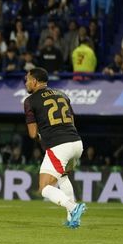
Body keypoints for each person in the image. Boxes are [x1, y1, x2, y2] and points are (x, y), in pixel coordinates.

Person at [23, 67, 86, 229]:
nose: (26, 83)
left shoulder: (30, 101)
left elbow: (32, 133)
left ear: (35, 81)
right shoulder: (62, 94)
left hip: (58, 146)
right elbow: (72, 120)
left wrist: (42, 133)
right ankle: (73, 219)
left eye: (27, 79)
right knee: (62, 176)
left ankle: (73, 207)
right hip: (76, 142)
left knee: (44, 187)